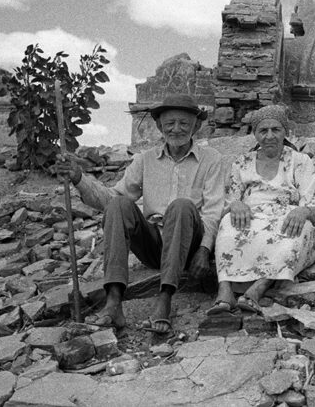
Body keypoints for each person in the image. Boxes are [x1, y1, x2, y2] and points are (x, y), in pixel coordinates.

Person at [58, 94, 225, 334]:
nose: (176, 129)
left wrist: (204, 250)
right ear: (159, 127)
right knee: (118, 204)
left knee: (181, 206)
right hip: (154, 246)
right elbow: (109, 198)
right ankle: (114, 301)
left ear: (196, 126)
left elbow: (213, 210)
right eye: (169, 124)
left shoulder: (211, 159)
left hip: (189, 243)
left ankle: (164, 298)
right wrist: (78, 178)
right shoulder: (144, 159)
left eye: (184, 123)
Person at [210, 105, 315, 315]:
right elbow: (231, 199)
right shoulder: (242, 162)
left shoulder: (300, 161)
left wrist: (303, 211)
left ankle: (257, 289)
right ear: (255, 134)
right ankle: (224, 290)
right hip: (251, 216)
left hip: (288, 216)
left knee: (298, 231)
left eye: (275, 130)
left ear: (285, 132)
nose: (269, 136)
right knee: (228, 224)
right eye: (263, 131)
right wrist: (236, 204)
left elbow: (314, 205)